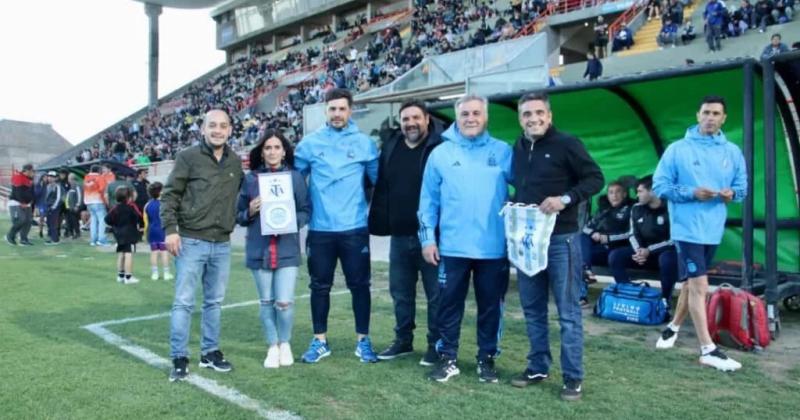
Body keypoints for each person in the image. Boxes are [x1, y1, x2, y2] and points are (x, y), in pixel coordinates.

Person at [509, 93, 603, 401]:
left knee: (567, 313)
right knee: (533, 309)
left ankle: (573, 378)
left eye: (538, 113)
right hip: (528, 240)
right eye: (526, 114)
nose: (533, 118)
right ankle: (538, 366)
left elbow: (595, 179)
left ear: (549, 115)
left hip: (562, 240)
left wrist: (564, 199)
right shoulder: (519, 147)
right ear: (520, 118)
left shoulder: (567, 143)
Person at [418, 94, 513, 383]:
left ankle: (487, 359)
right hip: (452, 247)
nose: (470, 119)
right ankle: (448, 358)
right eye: (465, 114)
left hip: (493, 248)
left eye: (476, 113)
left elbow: (528, 187)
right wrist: (427, 239)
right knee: (449, 305)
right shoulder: (441, 154)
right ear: (456, 118)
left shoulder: (504, 151)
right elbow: (428, 201)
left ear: (486, 117)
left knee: (490, 307)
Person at [653, 95, 748, 372]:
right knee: (700, 286)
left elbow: (742, 188)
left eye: (716, 113)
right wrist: (692, 193)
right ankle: (708, 348)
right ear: (697, 116)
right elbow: (660, 186)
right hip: (686, 228)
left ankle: (672, 327)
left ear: (723, 118)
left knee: (693, 284)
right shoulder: (677, 149)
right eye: (706, 112)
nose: (710, 118)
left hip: (713, 229)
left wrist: (732, 193)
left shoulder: (732, 152)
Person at [294, 88, 380, 364]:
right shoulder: (309, 143)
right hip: (320, 230)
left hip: (354, 228)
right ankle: (320, 340)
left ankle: (363, 341)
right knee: (319, 286)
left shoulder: (365, 144)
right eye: (332, 109)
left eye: (342, 109)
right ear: (326, 111)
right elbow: (294, 182)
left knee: (360, 286)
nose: (337, 114)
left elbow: (380, 183)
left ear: (350, 111)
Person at [162, 109, 244, 382]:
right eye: (212, 125)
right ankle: (179, 358)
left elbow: (239, 199)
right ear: (203, 128)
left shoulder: (235, 161)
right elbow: (170, 195)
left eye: (223, 126)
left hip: (221, 243)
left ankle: (210, 353)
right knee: (184, 302)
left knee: (214, 302)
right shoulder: (188, 157)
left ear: (230, 129)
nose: (217, 130)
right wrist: (171, 230)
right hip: (191, 241)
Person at [368, 100, 444, 366]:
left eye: (416, 118)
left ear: (426, 119)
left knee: (436, 294)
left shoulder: (439, 147)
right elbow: (380, 184)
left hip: (432, 238)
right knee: (400, 293)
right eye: (405, 119)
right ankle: (403, 340)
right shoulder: (392, 145)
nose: (410, 123)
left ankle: (436, 344)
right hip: (399, 235)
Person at [237, 130, 310, 369]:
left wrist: (289, 221)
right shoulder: (250, 179)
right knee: (266, 301)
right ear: (262, 151)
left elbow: (305, 210)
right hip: (259, 250)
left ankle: (285, 343)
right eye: (268, 148)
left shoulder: (295, 177)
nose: (272, 152)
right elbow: (238, 216)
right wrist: (250, 211)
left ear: (284, 151)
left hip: (287, 249)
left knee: (284, 302)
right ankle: (272, 346)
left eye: (277, 147)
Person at [607, 175, 678, 313]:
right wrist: (639, 250)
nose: (637, 195)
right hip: (643, 254)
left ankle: (665, 299)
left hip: (664, 252)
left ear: (652, 191)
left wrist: (649, 250)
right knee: (616, 256)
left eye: (640, 191)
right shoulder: (636, 208)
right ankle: (627, 293)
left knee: (668, 259)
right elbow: (632, 234)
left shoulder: (670, 207)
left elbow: (674, 239)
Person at [579, 180, 634, 305]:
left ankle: (627, 295)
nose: (614, 196)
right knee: (582, 239)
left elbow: (631, 233)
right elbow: (586, 228)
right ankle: (584, 282)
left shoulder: (632, 209)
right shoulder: (603, 209)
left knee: (613, 256)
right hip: (603, 249)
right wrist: (593, 233)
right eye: (611, 193)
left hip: (621, 249)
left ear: (625, 194)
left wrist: (608, 238)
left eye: (617, 192)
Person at [105, 186, 143, 285]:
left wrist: (116, 225)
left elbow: (107, 219)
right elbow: (139, 217)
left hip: (118, 234)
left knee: (121, 253)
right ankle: (128, 277)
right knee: (128, 254)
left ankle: (120, 275)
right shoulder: (132, 207)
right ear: (129, 197)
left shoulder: (115, 208)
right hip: (129, 234)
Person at [143, 182, 172, 281]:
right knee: (164, 252)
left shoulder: (147, 205)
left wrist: (145, 233)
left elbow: (146, 220)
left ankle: (154, 274)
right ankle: (166, 273)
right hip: (162, 230)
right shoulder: (164, 204)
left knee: (154, 252)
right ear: (161, 192)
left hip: (152, 231)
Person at [5, 163, 35, 246]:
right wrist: (22, 202)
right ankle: (10, 235)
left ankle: (24, 239)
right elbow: (18, 192)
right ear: (27, 171)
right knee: (21, 219)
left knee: (28, 221)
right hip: (16, 202)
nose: (33, 173)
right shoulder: (18, 177)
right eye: (32, 171)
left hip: (27, 203)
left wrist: (30, 201)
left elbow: (31, 192)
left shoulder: (29, 179)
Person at [83, 164, 112, 246]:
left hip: (88, 201)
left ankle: (93, 240)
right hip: (98, 201)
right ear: (99, 171)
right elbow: (102, 190)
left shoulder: (86, 178)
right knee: (102, 221)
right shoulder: (100, 178)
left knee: (93, 221)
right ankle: (101, 239)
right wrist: (106, 202)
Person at [44, 171, 64, 245]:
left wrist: (54, 206)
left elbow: (59, 198)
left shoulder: (57, 186)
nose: (50, 178)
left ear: (56, 178)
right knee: (49, 222)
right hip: (48, 207)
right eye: (49, 177)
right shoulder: (47, 186)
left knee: (54, 223)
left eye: (52, 177)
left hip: (54, 207)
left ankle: (55, 239)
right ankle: (51, 237)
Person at [63, 173, 83, 240]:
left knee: (75, 221)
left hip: (74, 207)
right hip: (69, 207)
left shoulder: (76, 185)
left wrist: (77, 205)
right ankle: (71, 233)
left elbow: (79, 196)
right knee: (69, 221)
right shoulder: (70, 186)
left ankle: (77, 233)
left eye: (69, 178)